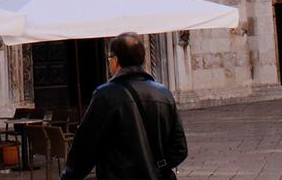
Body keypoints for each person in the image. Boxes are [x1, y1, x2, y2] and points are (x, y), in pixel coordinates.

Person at [59, 33, 188, 180]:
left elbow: (85, 148)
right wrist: (157, 166)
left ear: (115, 60)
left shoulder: (105, 95)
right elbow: (180, 149)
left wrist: (69, 176)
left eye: (110, 58)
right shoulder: (164, 94)